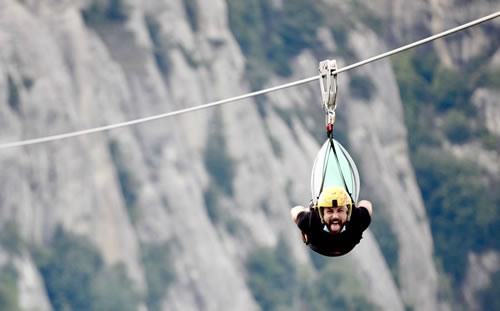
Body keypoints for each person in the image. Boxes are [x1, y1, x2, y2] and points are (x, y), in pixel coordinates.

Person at [290, 186, 372, 256]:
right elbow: (295, 211)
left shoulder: (357, 218)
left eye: (340, 211)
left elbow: (295, 210)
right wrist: (308, 211)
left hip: (346, 246)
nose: (335, 216)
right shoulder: (310, 221)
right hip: (318, 247)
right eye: (330, 211)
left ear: (347, 213)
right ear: (322, 214)